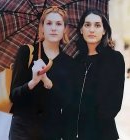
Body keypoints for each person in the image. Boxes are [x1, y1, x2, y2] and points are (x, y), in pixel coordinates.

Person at [9, 6, 75, 140]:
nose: (53, 28)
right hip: (23, 130)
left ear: (64, 29)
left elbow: (67, 102)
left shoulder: (69, 63)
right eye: (49, 23)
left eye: (58, 24)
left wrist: (47, 82)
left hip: (51, 131)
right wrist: (32, 83)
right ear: (42, 27)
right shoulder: (27, 52)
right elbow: (13, 96)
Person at [74, 9, 125, 140]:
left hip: (103, 134)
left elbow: (114, 102)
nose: (92, 29)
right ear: (81, 30)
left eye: (97, 25)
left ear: (104, 30)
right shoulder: (77, 60)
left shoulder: (114, 58)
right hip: (77, 134)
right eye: (87, 25)